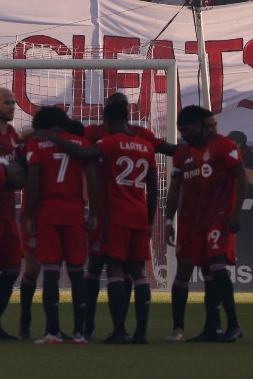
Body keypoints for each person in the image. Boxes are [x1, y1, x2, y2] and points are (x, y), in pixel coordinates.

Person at [90, 93, 172, 343]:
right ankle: (140, 333)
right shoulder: (144, 144)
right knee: (137, 271)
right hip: (138, 212)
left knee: (112, 268)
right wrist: (150, 220)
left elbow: (83, 153)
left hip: (114, 213)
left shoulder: (109, 140)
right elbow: (154, 186)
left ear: (107, 116)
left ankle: (119, 331)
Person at [165, 104, 244, 343]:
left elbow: (242, 176)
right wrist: (169, 220)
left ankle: (233, 325)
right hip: (192, 221)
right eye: (181, 131)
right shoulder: (183, 153)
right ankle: (208, 328)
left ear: (199, 126)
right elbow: (175, 188)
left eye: (186, 130)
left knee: (217, 268)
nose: (183, 135)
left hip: (218, 216)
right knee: (200, 271)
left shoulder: (223, 145)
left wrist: (236, 213)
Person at [21, 104, 91, 344]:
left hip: (48, 211)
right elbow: (92, 180)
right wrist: (93, 213)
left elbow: (34, 182)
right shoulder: (80, 143)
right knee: (76, 272)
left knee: (50, 272)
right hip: (74, 210)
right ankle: (80, 333)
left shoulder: (36, 144)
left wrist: (30, 215)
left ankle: (52, 331)